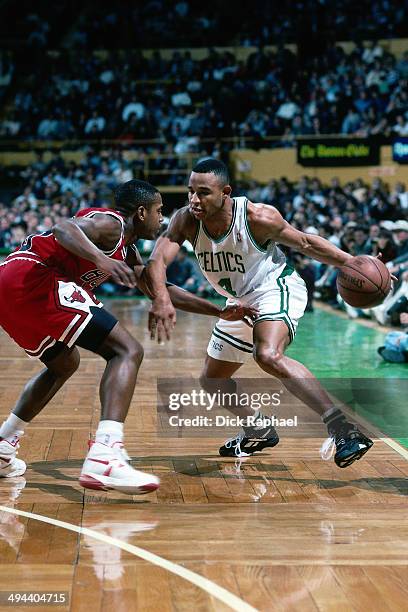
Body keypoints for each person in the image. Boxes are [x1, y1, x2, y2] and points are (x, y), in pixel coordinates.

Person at [0, 179, 256, 493]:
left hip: (11, 289)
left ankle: (3, 445)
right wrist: (102, 259)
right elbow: (63, 228)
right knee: (127, 350)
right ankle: (105, 454)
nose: (162, 219)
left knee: (63, 364)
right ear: (140, 212)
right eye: (158, 211)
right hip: (34, 278)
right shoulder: (112, 225)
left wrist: (217, 310)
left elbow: (158, 289)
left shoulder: (129, 251)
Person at [146, 158, 374, 468]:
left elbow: (306, 243)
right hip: (237, 301)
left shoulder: (257, 216)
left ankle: (344, 429)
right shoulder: (185, 220)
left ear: (225, 192)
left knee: (266, 354)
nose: (194, 200)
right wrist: (161, 298)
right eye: (190, 192)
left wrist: (354, 262)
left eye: (204, 193)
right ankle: (258, 427)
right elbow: (158, 260)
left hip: (275, 287)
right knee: (212, 380)